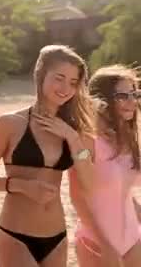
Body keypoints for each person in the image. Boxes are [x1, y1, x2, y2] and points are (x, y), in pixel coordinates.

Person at [0, 45, 95, 266]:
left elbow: (89, 184)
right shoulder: (10, 123)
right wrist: (23, 186)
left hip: (57, 236)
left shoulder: (76, 131)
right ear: (41, 74)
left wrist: (71, 138)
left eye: (73, 82)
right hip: (15, 234)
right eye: (59, 78)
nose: (65, 88)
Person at [71, 65, 141, 267]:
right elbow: (78, 199)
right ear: (101, 99)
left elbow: (122, 193)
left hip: (133, 237)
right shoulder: (86, 141)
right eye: (122, 95)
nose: (132, 102)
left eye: (134, 94)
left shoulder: (127, 139)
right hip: (96, 241)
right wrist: (106, 246)